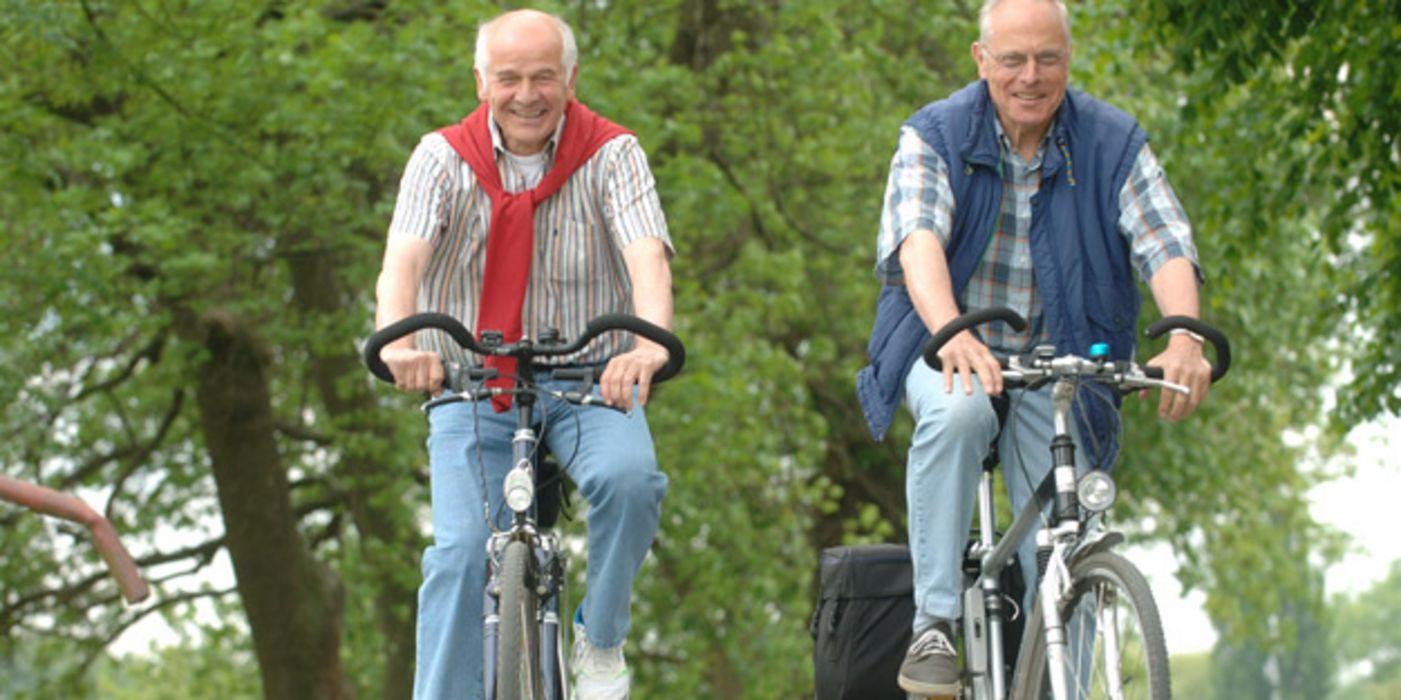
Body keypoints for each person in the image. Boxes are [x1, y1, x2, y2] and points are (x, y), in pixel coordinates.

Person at [854, 0, 1212, 695]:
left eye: (1046, 58)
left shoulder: (1112, 141)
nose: (1030, 76)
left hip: (1059, 354)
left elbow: (1164, 240)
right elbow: (917, 240)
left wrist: (1185, 334)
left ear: (1067, 60)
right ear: (980, 60)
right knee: (956, 416)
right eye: (1012, 59)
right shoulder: (934, 134)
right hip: (945, 341)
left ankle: (1068, 671)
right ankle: (933, 624)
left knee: (1066, 522)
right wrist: (952, 330)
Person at [374, 9, 674, 699]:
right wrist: (400, 337)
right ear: (481, 82)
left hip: (589, 378)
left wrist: (647, 345)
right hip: (471, 382)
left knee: (630, 482)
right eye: (508, 78)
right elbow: (403, 261)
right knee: (455, 556)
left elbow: (647, 262)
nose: (527, 94)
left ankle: (600, 639)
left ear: (570, 78)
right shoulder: (440, 158)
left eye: (544, 76)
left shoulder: (612, 153)